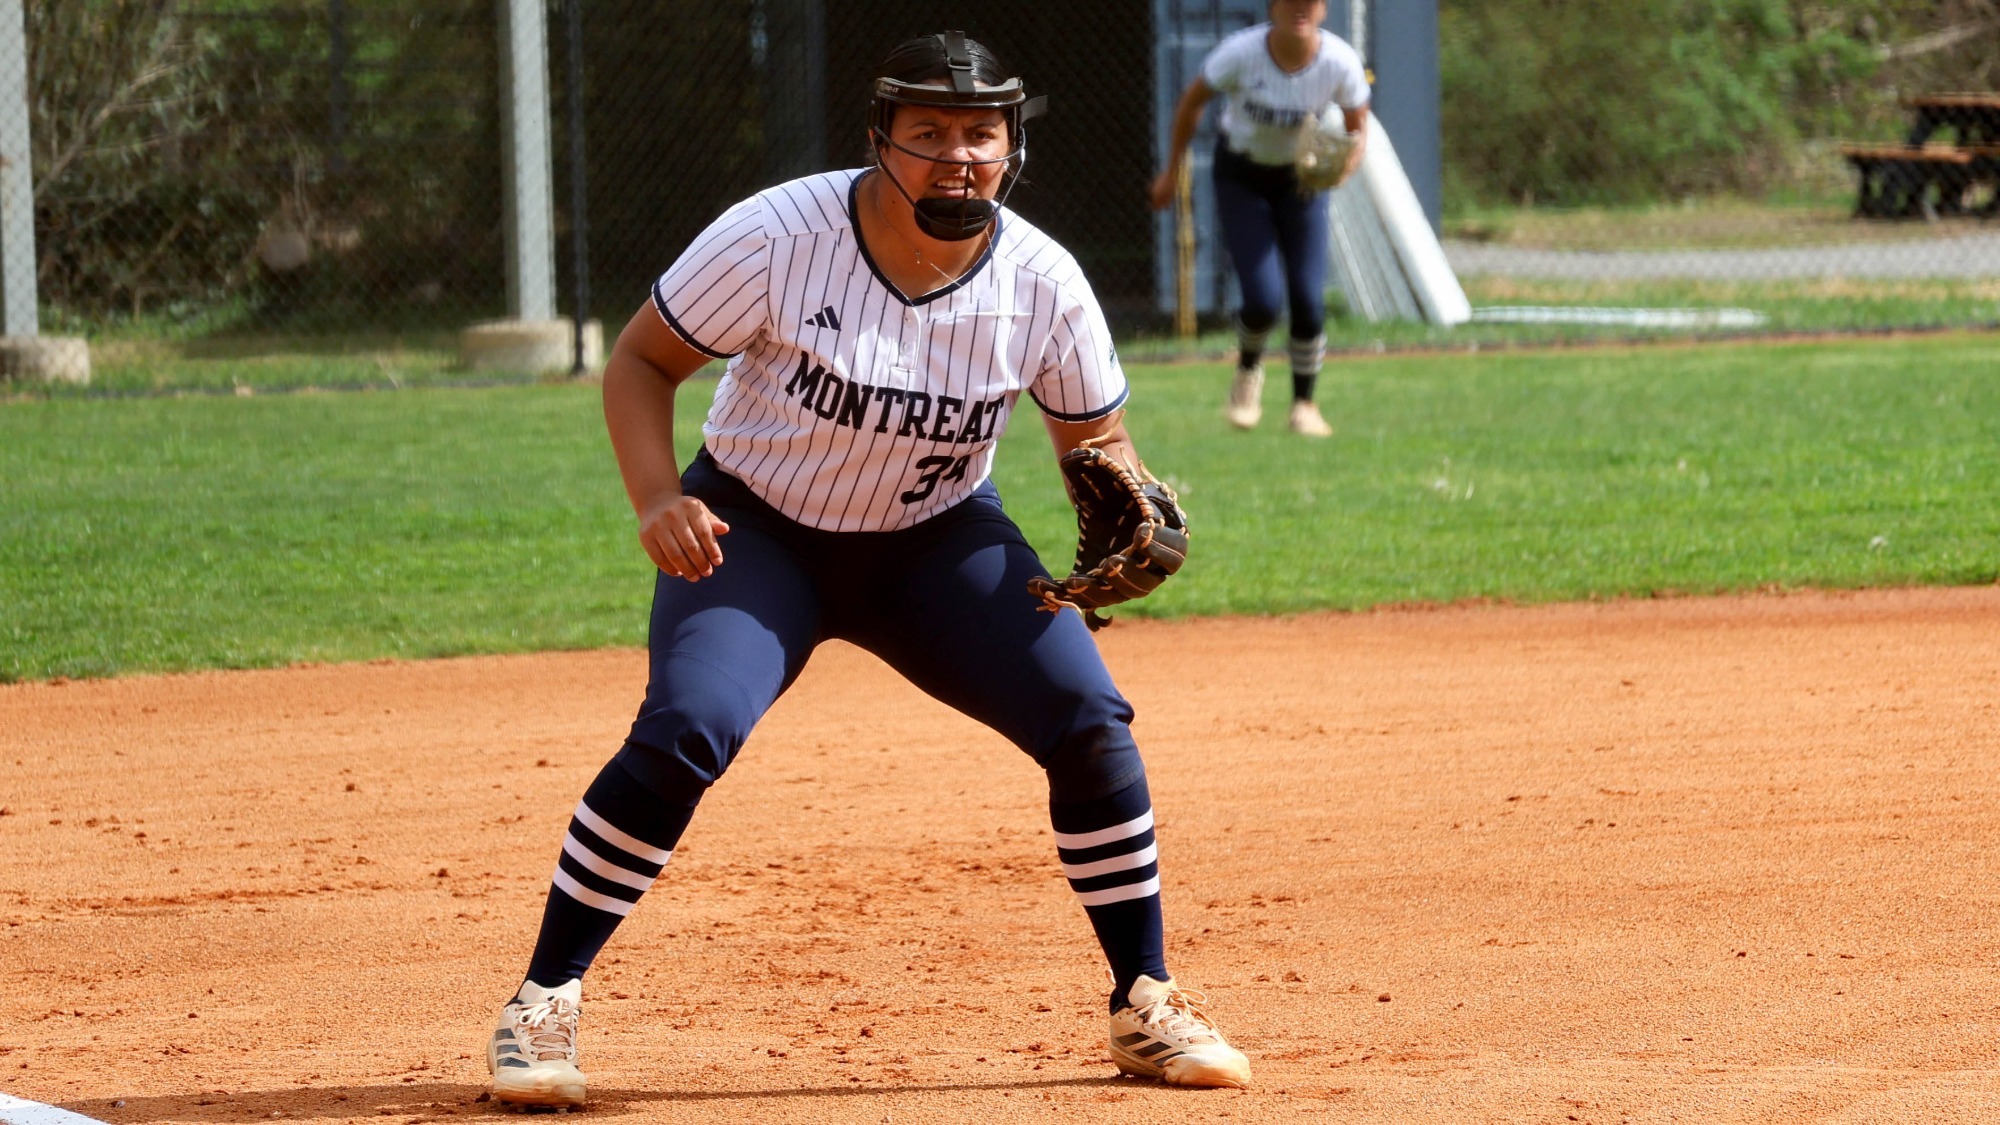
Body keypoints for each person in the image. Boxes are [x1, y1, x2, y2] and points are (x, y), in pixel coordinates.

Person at [483, 32, 1250, 1109]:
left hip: (935, 542)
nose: (957, 158)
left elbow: (1094, 440)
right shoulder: (777, 235)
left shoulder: (1041, 282)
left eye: (980, 133)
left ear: (1011, 146)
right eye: (927, 133)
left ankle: (1145, 1000)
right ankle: (540, 1002)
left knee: (1086, 715)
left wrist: (1124, 496)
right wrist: (659, 499)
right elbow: (641, 359)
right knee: (689, 724)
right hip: (757, 535)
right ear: (879, 142)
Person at [1149, 0, 1371, 438]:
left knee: (1308, 299)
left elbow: (1357, 123)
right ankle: (1247, 374)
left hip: (1300, 180)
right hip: (1243, 177)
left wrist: (1345, 167)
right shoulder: (1241, 53)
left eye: (1309, 1)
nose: (1299, 9)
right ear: (1272, 6)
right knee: (1264, 298)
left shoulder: (1339, 61)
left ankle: (1304, 404)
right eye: (1289, 1)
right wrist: (1171, 170)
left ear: (1324, 8)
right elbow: (1192, 101)